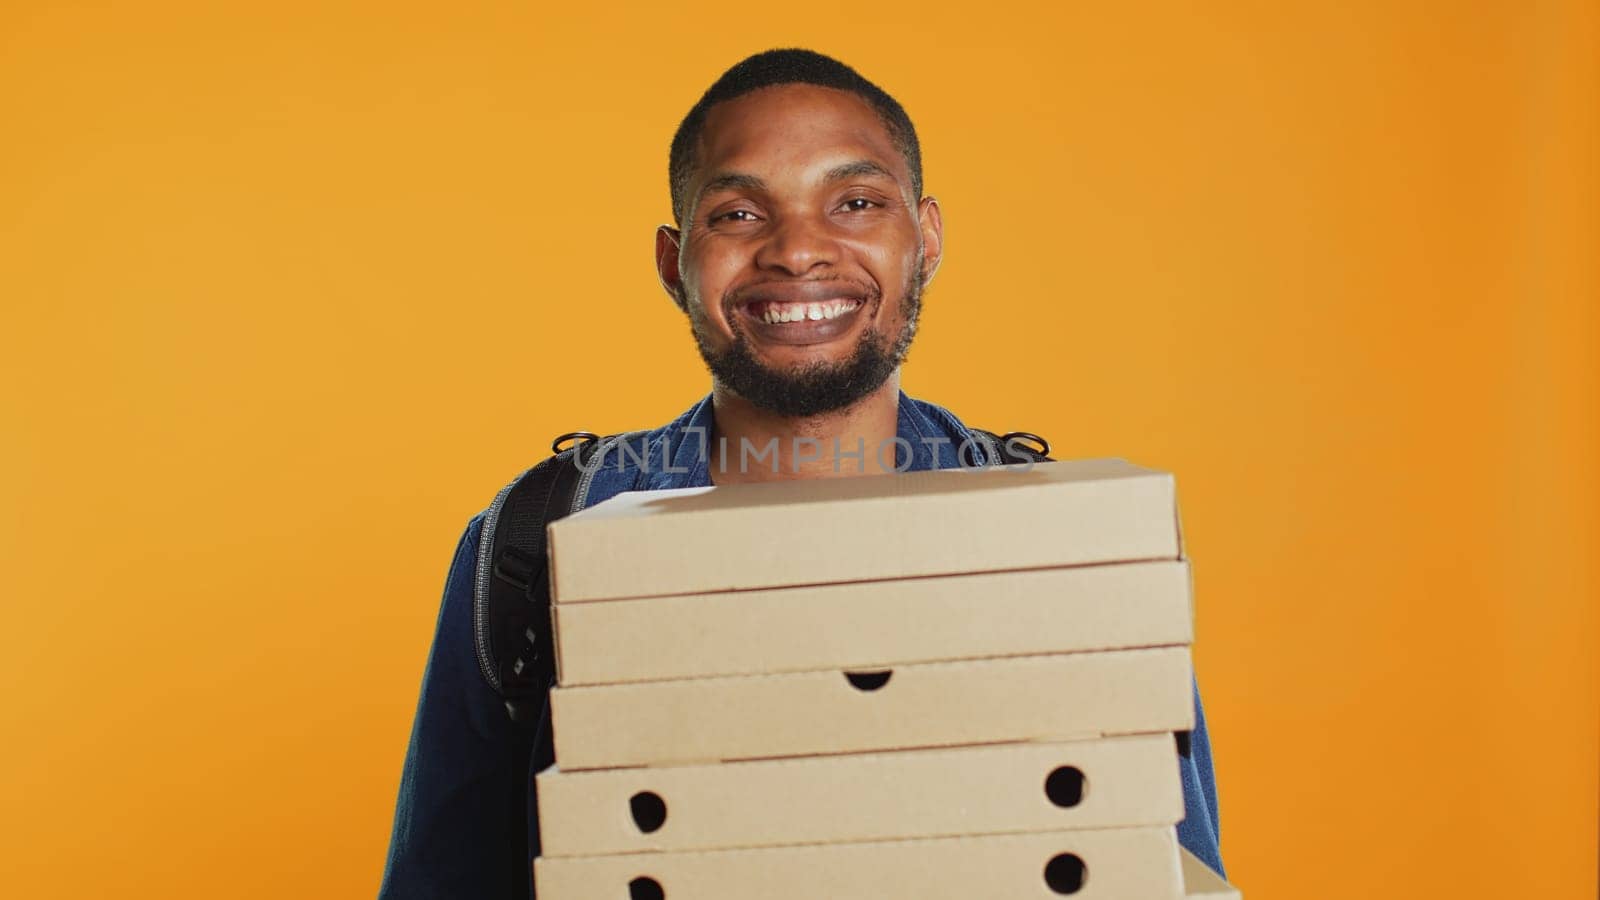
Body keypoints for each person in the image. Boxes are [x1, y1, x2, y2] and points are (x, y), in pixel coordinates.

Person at [378, 47, 1224, 898]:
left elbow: (1165, 868)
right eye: (740, 214)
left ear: (924, 240)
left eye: (855, 202)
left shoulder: (1068, 550)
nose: (798, 251)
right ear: (676, 263)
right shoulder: (531, 544)